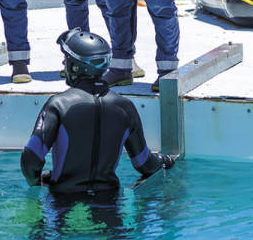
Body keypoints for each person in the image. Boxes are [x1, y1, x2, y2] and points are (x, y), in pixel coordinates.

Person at [21, 28, 174, 194]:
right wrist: (165, 160)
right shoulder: (125, 107)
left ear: (76, 67)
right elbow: (144, 164)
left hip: (64, 204)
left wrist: (38, 181)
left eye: (66, 60)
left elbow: (31, 159)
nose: (64, 64)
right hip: (110, 204)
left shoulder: (58, 104)